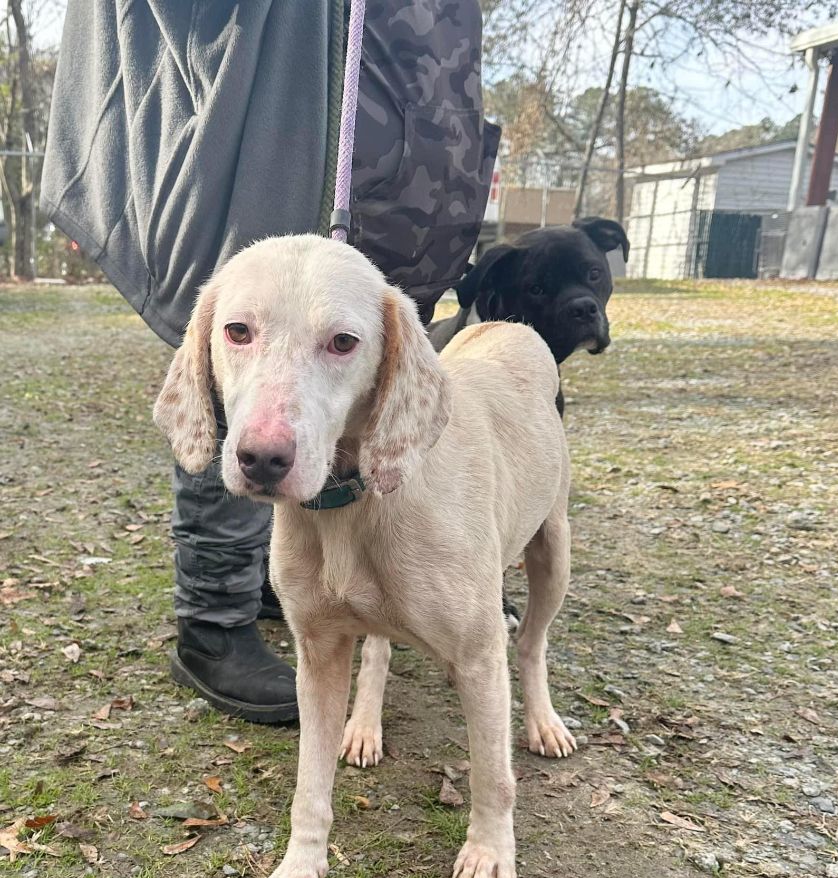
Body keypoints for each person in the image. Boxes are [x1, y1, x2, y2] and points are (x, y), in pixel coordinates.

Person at [42, 0, 499, 724]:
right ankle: (214, 619)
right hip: (272, 134)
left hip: (410, 164)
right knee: (261, 381)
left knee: (346, 394)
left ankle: (286, 579)